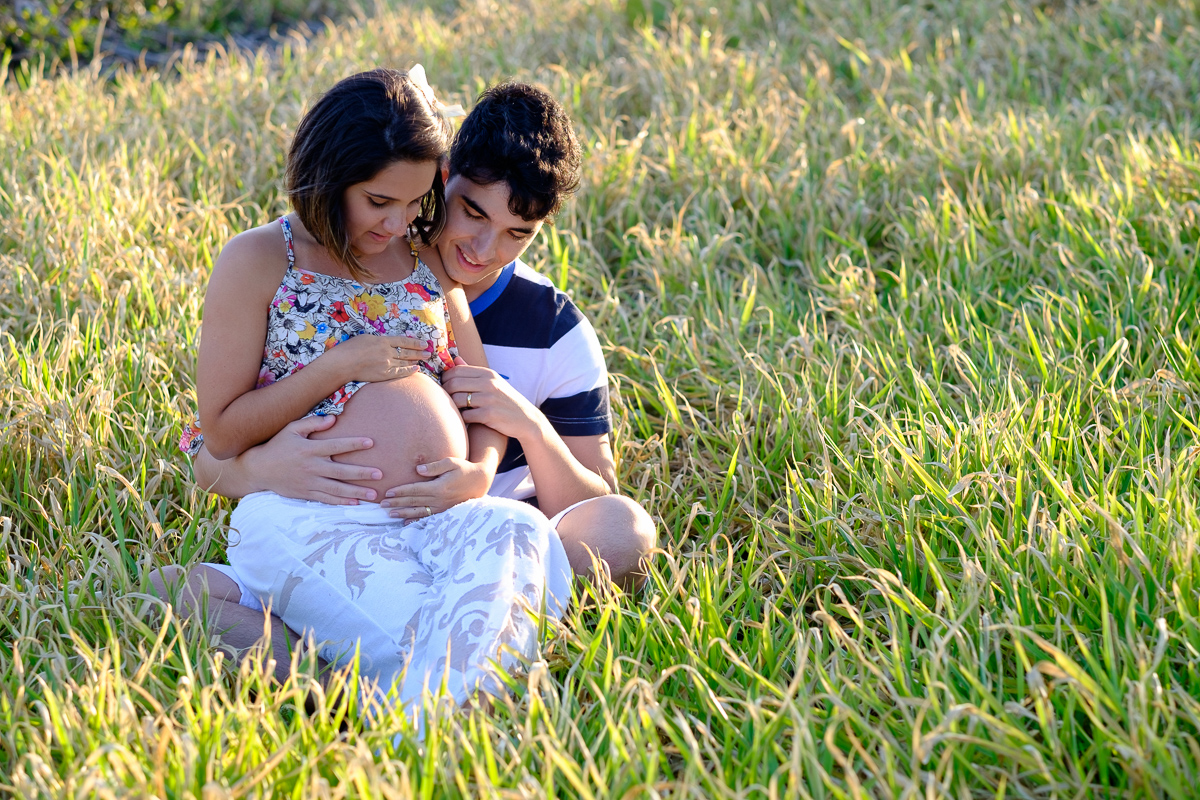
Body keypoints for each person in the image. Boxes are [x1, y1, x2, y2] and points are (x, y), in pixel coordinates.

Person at [157, 81, 655, 691]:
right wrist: (338, 368)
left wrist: (481, 466)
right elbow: (219, 437)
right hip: (324, 517)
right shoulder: (263, 258)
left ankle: (386, 677)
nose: (398, 224)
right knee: (174, 594)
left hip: (442, 520)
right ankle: (425, 692)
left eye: (516, 232)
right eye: (468, 212)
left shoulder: (470, 284)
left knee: (533, 530)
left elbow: (483, 396)